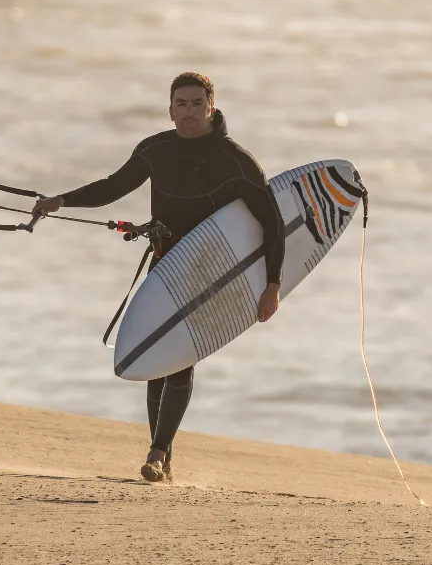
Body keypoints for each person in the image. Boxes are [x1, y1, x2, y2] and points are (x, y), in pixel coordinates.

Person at [32, 72, 286, 484]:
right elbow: (113, 186)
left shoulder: (236, 161)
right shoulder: (155, 150)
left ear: (212, 108)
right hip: (166, 264)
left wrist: (272, 285)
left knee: (180, 358)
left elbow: (273, 223)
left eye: (197, 104)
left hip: (211, 272)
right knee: (155, 358)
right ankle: (161, 455)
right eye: (181, 104)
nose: (189, 111)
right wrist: (62, 200)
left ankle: (158, 450)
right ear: (170, 110)